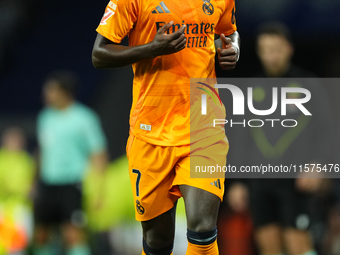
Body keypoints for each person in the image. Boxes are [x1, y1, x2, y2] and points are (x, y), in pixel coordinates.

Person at [92, 0, 240, 254]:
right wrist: (152, 48)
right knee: (157, 241)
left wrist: (232, 47)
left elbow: (227, 31)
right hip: (150, 132)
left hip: (203, 125)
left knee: (202, 228)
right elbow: (99, 54)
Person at [225, 22, 332, 255]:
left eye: (277, 49)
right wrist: (237, 182)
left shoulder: (309, 84)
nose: (272, 55)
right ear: (259, 52)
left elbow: (327, 130)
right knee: (268, 248)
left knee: (299, 247)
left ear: (289, 49)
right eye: (266, 49)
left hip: (296, 183)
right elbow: (240, 137)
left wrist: (317, 165)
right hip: (259, 183)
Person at [33, 70, 108, 255]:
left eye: (50, 90)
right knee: (41, 234)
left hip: (72, 183)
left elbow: (98, 154)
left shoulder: (84, 118)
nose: (46, 94)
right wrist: (33, 181)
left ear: (64, 92)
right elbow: (42, 151)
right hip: (47, 183)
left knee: (73, 234)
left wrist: (99, 190)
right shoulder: (45, 117)